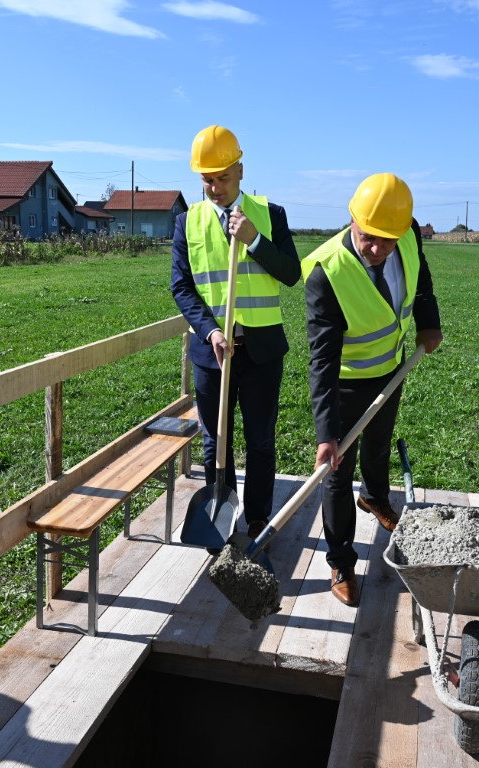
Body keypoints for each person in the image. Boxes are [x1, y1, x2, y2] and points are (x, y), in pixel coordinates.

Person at [304, 173, 443, 607]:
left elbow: (422, 281)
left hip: (392, 367)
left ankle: (375, 497)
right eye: (369, 237)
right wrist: (327, 433)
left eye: (388, 240)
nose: (378, 249)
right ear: (353, 219)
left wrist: (429, 322)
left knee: (379, 444)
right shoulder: (327, 274)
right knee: (337, 473)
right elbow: (322, 360)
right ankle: (340, 561)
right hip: (346, 381)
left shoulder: (407, 236)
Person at [170, 126, 301, 545]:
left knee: (260, 439)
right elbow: (181, 287)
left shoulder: (270, 214)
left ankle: (258, 519)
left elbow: (291, 273)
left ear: (240, 171)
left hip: (261, 352)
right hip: (213, 354)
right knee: (216, 441)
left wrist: (254, 240)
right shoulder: (187, 222)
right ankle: (219, 522)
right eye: (207, 179)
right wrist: (209, 332)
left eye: (223, 177)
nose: (215, 187)